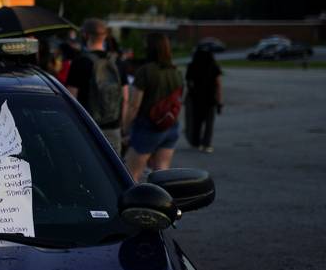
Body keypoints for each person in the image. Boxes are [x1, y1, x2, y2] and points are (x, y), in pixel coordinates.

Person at [123, 33, 185, 182]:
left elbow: (134, 105)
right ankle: (162, 203)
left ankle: (134, 205)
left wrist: (125, 128)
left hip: (148, 128)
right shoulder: (176, 72)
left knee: (131, 175)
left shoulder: (145, 71)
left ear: (150, 48)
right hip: (170, 125)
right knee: (162, 174)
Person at [65, 19, 129, 152]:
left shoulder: (80, 62)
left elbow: (71, 98)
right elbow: (125, 98)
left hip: (87, 128)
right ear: (105, 36)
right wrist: (121, 126)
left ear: (86, 35)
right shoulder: (117, 62)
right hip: (113, 127)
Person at [186, 48, 223, 152]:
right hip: (210, 99)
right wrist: (220, 102)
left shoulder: (192, 66)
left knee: (196, 121)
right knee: (209, 122)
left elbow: (189, 83)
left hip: (196, 98)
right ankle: (206, 144)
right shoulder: (214, 67)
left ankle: (196, 142)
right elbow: (219, 85)